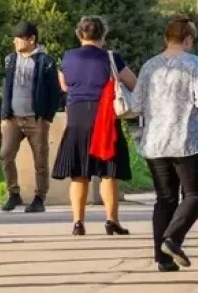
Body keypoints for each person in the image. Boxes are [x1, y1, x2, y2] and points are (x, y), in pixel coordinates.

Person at [133, 15, 198, 272]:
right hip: (186, 141)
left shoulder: (150, 66)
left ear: (166, 39)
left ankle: (163, 259)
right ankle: (173, 239)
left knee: (165, 198)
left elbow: (136, 104)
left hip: (154, 142)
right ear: (188, 39)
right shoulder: (194, 64)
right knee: (194, 194)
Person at [51, 16, 137, 236]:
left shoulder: (68, 57)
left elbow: (64, 85)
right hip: (104, 116)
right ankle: (111, 220)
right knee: (108, 172)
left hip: (77, 116)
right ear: (103, 35)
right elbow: (133, 83)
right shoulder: (111, 57)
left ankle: (78, 222)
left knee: (79, 173)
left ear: (80, 34)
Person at [0, 21, 62, 213]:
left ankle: (39, 198)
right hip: (13, 118)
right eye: (15, 38)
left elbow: (55, 91)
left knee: (40, 160)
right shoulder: (11, 59)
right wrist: (4, 116)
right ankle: (13, 193)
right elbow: (7, 88)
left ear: (32, 39)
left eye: (19, 38)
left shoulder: (46, 61)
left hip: (36, 118)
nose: (16, 42)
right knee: (5, 155)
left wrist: (47, 118)